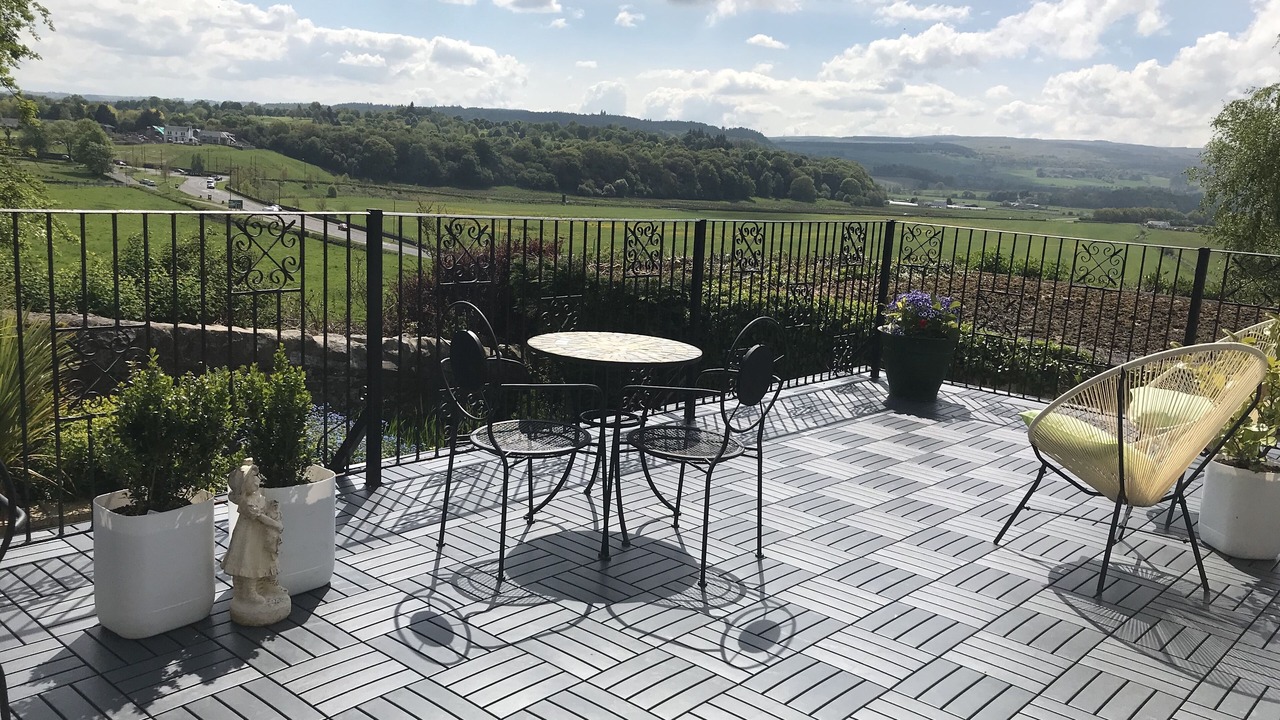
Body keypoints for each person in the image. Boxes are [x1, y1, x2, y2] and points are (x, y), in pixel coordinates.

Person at [223, 459, 290, 623]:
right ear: (244, 485)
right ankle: (249, 592)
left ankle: (269, 585)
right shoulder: (247, 503)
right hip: (250, 537)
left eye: (257, 477)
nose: (257, 481)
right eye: (253, 479)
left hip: (262, 536)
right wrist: (276, 524)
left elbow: (262, 509)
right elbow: (259, 518)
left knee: (267, 559)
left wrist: (271, 508)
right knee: (251, 561)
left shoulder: (257, 496)